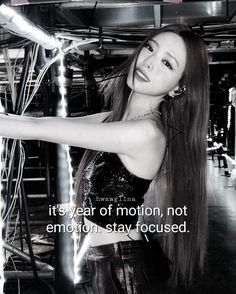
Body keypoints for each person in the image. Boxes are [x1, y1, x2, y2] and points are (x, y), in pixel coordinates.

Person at [0, 24, 209, 293]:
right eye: (149, 48)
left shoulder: (145, 133)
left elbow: (37, 130)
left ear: (179, 88)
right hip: (106, 261)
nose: (148, 63)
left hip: (122, 269)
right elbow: (39, 123)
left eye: (167, 64)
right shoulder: (115, 118)